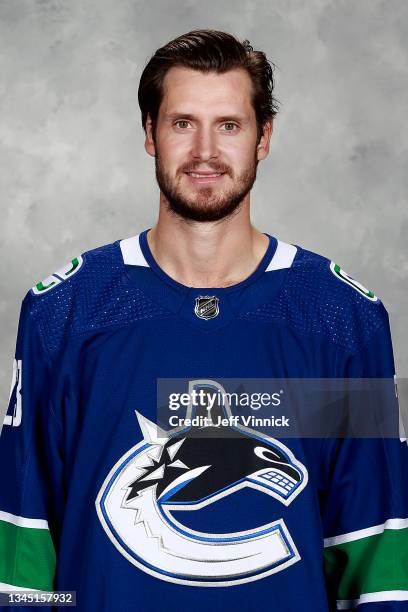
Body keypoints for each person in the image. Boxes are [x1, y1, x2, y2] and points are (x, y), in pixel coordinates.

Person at [0, 29, 407, 612]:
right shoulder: (64, 315)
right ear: (150, 134)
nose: (205, 152)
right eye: (182, 123)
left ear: (263, 137)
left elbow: (376, 558)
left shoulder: (342, 320)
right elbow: (24, 554)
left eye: (230, 126)